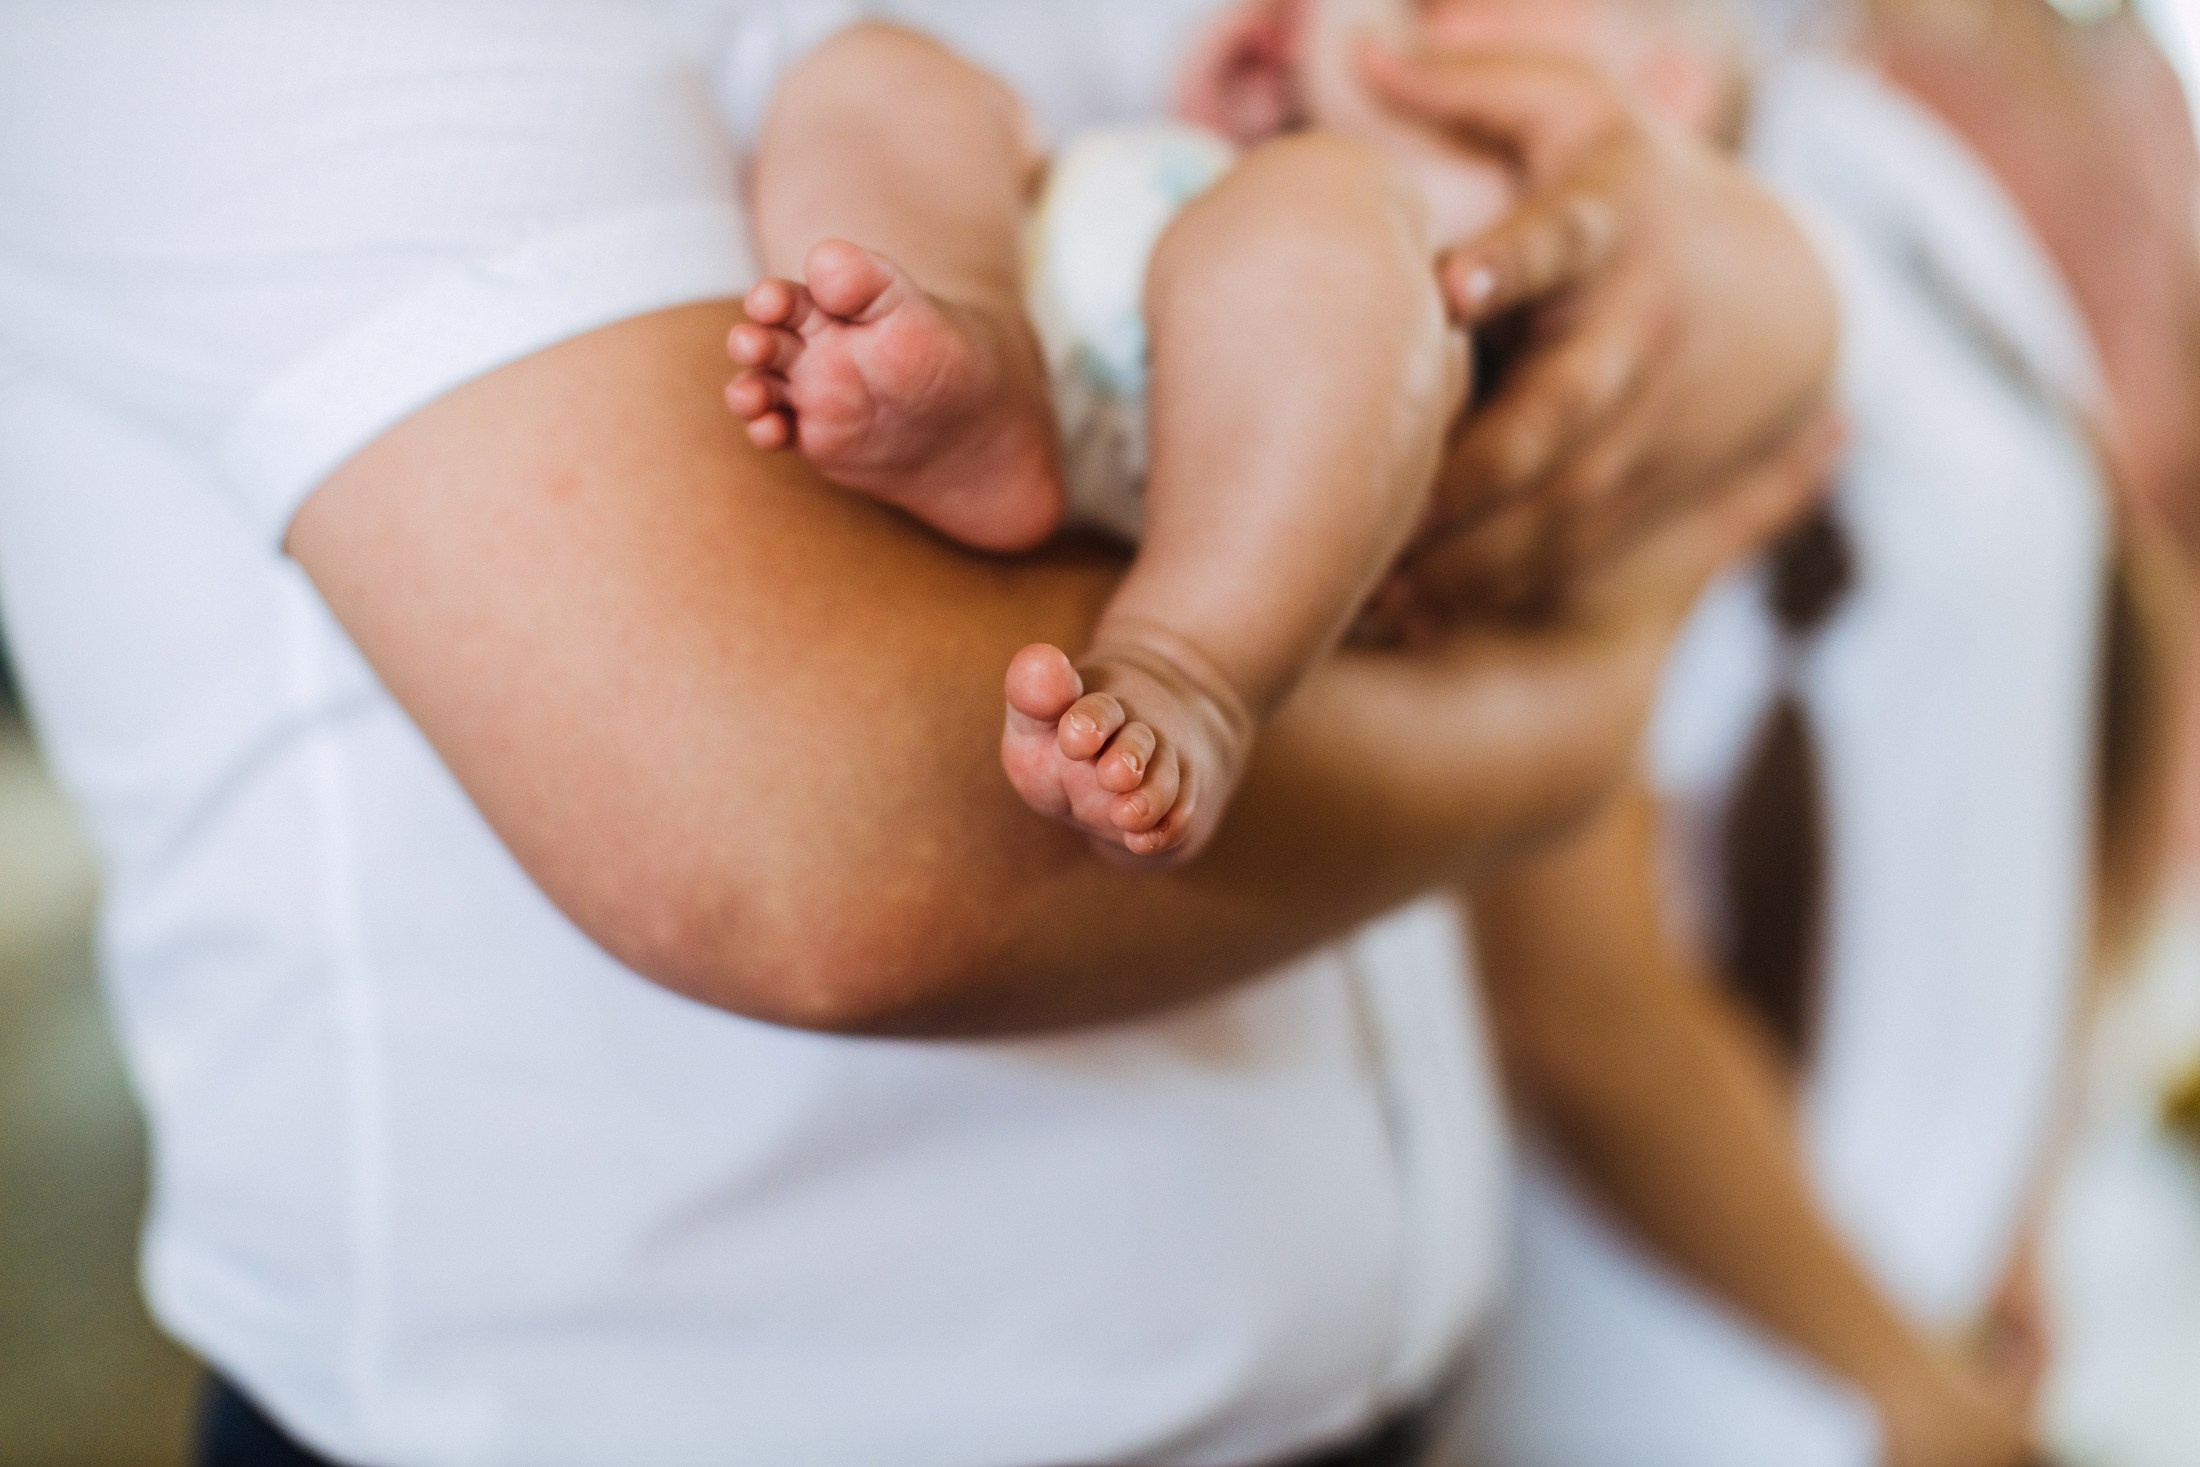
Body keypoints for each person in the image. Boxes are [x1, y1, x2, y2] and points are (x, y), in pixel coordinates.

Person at [0, 2, 1835, 1463]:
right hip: (681, 1420)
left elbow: (1694, 263)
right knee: (882, 81)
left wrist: (1754, 279)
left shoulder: (1562, 136)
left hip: (1308, 336)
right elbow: (819, 852)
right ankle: (977, 371)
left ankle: (1191, 648)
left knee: (1326, 219)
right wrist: (1598, 689)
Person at [1447, 25, 2188, 1467]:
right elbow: (1567, 981)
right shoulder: (1577, 242)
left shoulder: (1874, 156)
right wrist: (1897, 1377)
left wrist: (2020, 1196)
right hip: (1710, 1368)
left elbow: (2099, 630)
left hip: (1939, 1322)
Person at [724, 0, 1742, 863]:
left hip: (1282, 450)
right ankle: (964, 350)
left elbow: (1410, 246)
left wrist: (1339, 85)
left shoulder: (1542, 216)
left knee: (1337, 194)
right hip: (1079, 277)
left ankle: (1185, 667)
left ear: (1661, 95)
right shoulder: (1271, 135)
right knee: (872, 71)